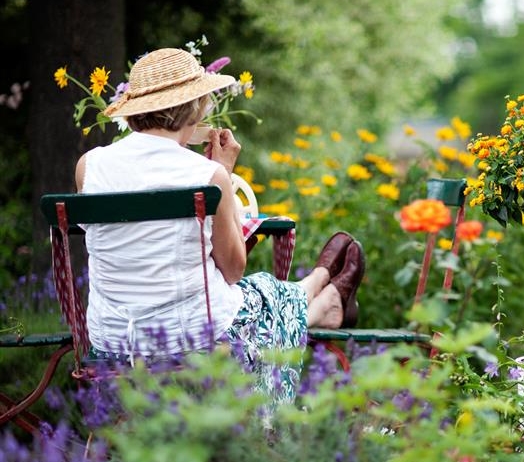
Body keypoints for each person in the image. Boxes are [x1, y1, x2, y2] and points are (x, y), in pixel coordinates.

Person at [75, 47, 364, 413]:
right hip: (191, 337)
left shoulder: (90, 166)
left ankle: (321, 296)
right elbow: (232, 270)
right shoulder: (206, 176)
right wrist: (223, 176)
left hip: (113, 340)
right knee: (262, 289)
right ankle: (319, 296)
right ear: (195, 109)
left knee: (257, 295)